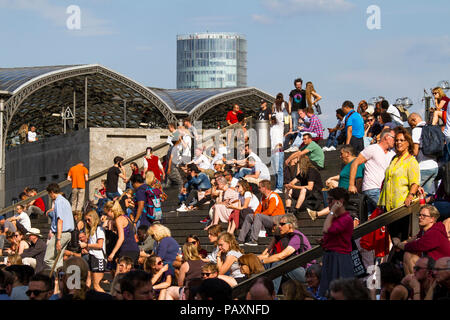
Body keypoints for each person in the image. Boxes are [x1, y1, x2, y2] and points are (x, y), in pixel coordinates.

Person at [379, 126, 420, 241]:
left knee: (401, 240)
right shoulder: (394, 159)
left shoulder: (411, 161)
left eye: (402, 140)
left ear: (408, 143)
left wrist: (410, 196)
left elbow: (415, 182)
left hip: (402, 206)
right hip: (388, 205)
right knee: (393, 238)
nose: (398, 143)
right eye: (397, 140)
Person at [306, 145, 364, 220]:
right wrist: (332, 178)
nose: (340, 156)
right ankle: (317, 214)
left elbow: (359, 178)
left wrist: (355, 194)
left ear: (347, 153)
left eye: (341, 154)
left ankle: (317, 214)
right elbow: (343, 175)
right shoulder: (347, 165)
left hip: (350, 196)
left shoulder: (356, 163)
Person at [258, 213, 312, 293]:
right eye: (279, 224)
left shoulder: (297, 237)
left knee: (278, 264)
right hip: (293, 268)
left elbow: (282, 256)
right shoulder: (286, 236)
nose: (279, 226)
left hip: (306, 272)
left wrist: (261, 261)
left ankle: (272, 296)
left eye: (282, 224)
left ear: (290, 225)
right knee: (269, 264)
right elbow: (268, 253)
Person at [349, 128, 396, 215]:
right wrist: (352, 185)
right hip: (372, 188)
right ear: (386, 137)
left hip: (384, 189)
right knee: (386, 210)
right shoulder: (372, 149)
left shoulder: (392, 154)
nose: (395, 141)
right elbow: (355, 163)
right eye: (394, 138)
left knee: (372, 217)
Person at [393, 205, 450, 274]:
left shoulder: (434, 233)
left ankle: (414, 282)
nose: (420, 217)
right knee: (408, 254)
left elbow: (415, 246)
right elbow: (415, 238)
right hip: (433, 264)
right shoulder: (426, 230)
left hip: (442, 269)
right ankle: (411, 281)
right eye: (419, 215)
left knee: (408, 256)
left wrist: (399, 244)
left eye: (424, 216)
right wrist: (402, 243)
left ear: (432, 219)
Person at [318, 187, 354, 297]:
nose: (328, 203)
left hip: (340, 258)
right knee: (328, 292)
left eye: (330, 200)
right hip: (331, 256)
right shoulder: (336, 218)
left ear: (340, 201)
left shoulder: (346, 219)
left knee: (339, 291)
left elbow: (326, 229)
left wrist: (332, 211)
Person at [238, 180, 285, 246]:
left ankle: (253, 240)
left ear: (264, 188)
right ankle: (240, 239)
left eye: (259, 187)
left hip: (277, 218)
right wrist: (254, 215)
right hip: (269, 218)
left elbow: (269, 211)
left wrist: (257, 215)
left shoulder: (273, 196)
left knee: (258, 216)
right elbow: (258, 209)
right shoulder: (262, 197)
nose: (258, 189)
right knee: (249, 216)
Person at [43, 183, 74, 273]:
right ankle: (60, 281)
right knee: (58, 259)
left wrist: (59, 239)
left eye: (49, 194)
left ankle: (61, 274)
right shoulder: (65, 201)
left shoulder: (58, 201)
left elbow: (60, 220)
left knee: (47, 259)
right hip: (67, 234)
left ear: (52, 192)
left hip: (62, 233)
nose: (49, 196)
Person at [408, 113, 439, 195]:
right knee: (423, 195)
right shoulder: (431, 127)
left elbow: (415, 151)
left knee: (412, 192)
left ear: (414, 120)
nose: (412, 127)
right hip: (435, 167)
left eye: (411, 125)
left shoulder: (416, 130)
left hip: (423, 167)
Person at [104, 200, 140, 266]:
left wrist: (113, 253)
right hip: (134, 249)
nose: (107, 215)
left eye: (107, 213)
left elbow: (121, 238)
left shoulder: (119, 219)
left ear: (111, 210)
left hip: (127, 250)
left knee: (120, 275)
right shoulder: (126, 217)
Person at [79, 210, 107, 292]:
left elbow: (99, 245)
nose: (87, 222)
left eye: (89, 220)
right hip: (91, 257)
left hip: (98, 258)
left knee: (96, 286)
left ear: (94, 218)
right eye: (86, 220)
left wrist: (86, 245)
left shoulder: (99, 229)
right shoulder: (92, 231)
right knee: (88, 284)